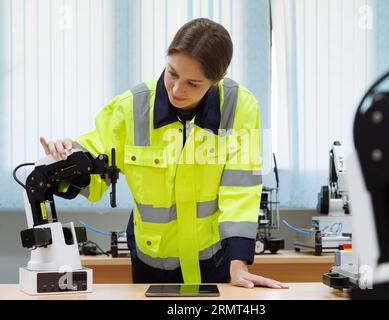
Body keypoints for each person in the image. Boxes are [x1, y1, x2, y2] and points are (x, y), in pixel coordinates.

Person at [40, 18, 288, 289]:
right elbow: (95, 156)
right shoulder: (131, 107)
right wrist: (66, 155)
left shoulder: (241, 106)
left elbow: (241, 189)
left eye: (193, 83)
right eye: (172, 73)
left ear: (219, 78)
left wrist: (238, 264)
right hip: (151, 261)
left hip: (213, 259)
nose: (177, 90)